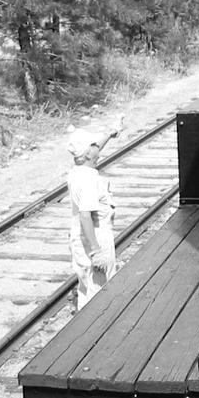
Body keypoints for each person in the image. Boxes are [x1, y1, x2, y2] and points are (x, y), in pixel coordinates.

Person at [66, 121, 121, 310]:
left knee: (86, 290)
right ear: (88, 153)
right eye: (94, 145)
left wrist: (109, 134)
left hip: (80, 239)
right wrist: (97, 251)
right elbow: (85, 216)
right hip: (95, 237)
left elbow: (90, 151)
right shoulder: (89, 179)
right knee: (99, 294)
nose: (97, 147)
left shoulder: (77, 171)